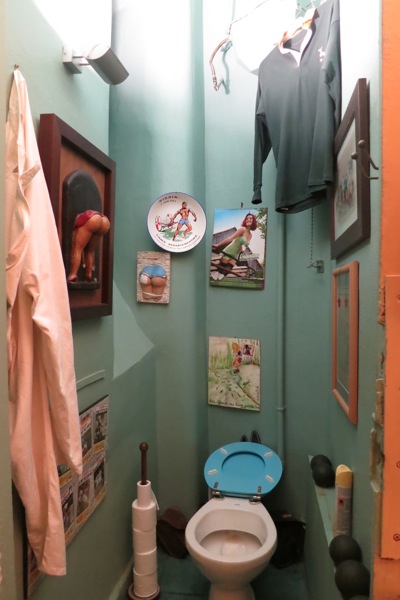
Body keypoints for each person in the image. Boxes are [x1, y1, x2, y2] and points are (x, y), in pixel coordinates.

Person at [67, 210, 110, 283]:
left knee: (77, 248)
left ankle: (73, 274)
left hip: (91, 218)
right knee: (89, 251)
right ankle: (89, 274)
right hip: (105, 221)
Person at [211, 212, 257, 280]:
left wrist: (243, 249)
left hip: (236, 254)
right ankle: (213, 277)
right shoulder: (242, 229)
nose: (248, 220)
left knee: (224, 273)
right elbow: (231, 238)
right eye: (247, 218)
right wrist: (218, 245)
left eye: (250, 218)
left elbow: (245, 246)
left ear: (253, 221)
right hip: (230, 250)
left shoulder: (250, 235)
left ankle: (216, 279)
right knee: (219, 272)